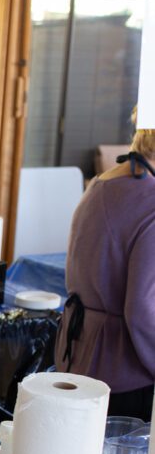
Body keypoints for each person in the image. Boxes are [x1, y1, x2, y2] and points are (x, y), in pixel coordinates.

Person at [55, 108, 155, 421]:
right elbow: (142, 310)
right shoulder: (150, 200)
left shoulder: (103, 183)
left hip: (77, 358)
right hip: (126, 374)